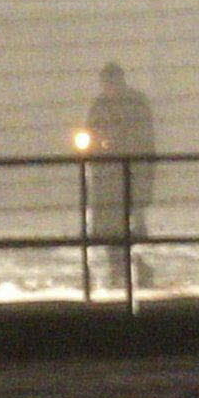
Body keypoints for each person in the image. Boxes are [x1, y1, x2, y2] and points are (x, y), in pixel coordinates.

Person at [78, 63, 159, 285]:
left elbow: (144, 139)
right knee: (108, 227)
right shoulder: (100, 106)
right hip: (106, 178)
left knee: (131, 225)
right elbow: (90, 134)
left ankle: (138, 269)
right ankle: (118, 269)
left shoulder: (135, 103)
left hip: (130, 176)